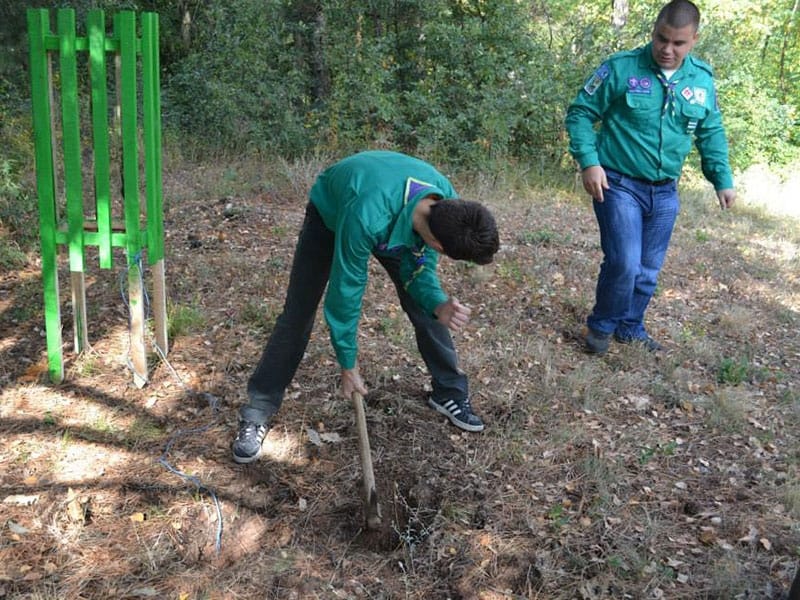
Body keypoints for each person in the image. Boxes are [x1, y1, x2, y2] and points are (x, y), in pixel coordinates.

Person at [232, 150, 500, 464]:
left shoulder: (451, 209)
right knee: (298, 315)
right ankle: (257, 411)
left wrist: (437, 303)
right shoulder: (366, 216)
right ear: (440, 246)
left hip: (393, 217)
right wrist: (348, 365)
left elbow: (418, 269)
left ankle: (449, 393)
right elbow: (346, 292)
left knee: (427, 309)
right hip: (334, 212)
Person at [565, 0, 736, 355]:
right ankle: (602, 327)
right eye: (662, 39)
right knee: (624, 262)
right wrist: (588, 162)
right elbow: (581, 112)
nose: (667, 49)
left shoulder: (701, 81)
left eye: (678, 43)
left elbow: (711, 131)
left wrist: (722, 178)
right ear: (654, 30)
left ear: (694, 41)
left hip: (665, 192)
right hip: (618, 184)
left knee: (647, 270)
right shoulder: (621, 68)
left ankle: (630, 326)